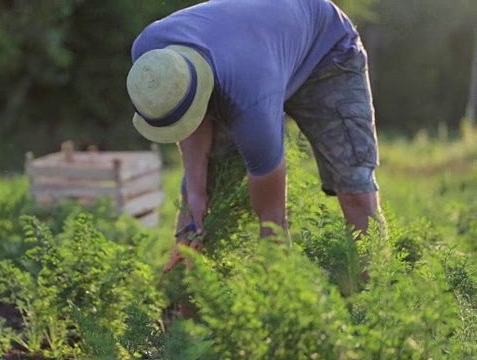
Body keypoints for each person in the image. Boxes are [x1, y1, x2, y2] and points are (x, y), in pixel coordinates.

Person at [125, 0, 384, 273]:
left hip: (327, 54)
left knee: (354, 186)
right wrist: (196, 191)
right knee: (205, 197)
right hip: (254, 52)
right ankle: (186, 304)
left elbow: (272, 220)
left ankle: (373, 292)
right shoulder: (149, 56)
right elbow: (191, 118)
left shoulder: (250, 103)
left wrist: (273, 297)